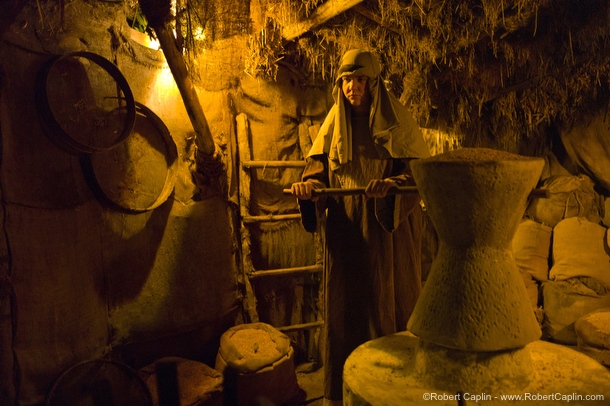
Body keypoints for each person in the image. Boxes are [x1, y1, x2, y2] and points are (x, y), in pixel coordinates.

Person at [290, 49, 430, 405]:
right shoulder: (333, 125)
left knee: (390, 302)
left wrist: (393, 186)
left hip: (389, 231)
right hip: (346, 228)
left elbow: (418, 176)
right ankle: (344, 393)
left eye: (360, 80)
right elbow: (317, 172)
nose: (353, 87)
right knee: (346, 310)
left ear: (373, 83)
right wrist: (310, 188)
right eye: (347, 80)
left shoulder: (398, 122)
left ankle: (395, 392)